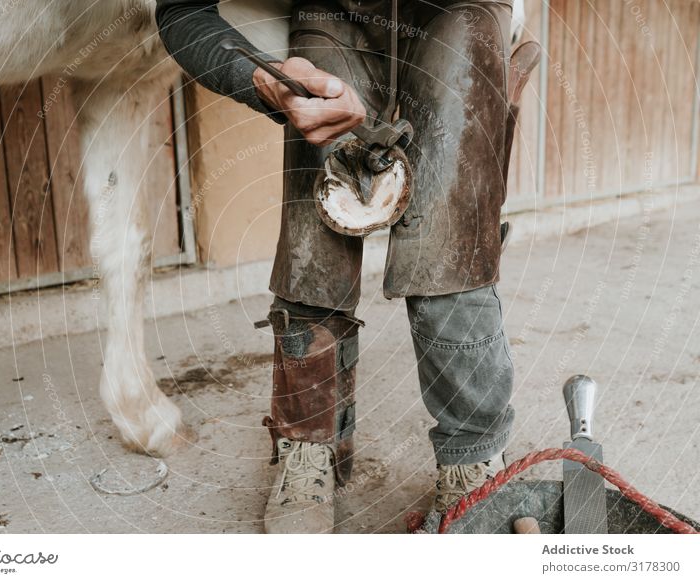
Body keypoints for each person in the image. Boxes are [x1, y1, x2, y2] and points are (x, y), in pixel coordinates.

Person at [156, 0, 517, 533]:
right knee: (315, 236)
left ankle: (471, 452)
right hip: (329, 14)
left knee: (448, 245)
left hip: (458, 9)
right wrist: (266, 82)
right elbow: (180, 9)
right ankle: (307, 444)